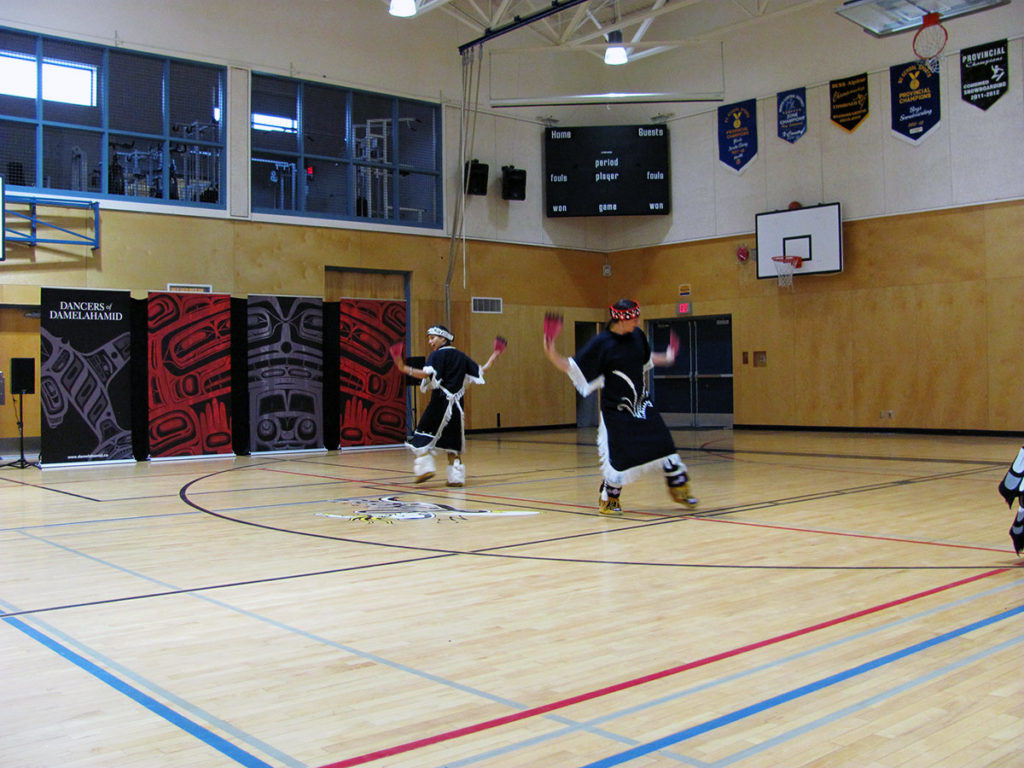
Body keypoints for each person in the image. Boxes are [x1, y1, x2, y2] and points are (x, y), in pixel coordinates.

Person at [542, 299, 697, 514]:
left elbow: (645, 359)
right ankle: (610, 498)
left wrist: (667, 357)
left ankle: (680, 489)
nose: (638, 322)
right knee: (620, 455)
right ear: (621, 319)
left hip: (641, 404)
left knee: (664, 443)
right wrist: (550, 349)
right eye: (634, 318)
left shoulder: (637, 336)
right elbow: (572, 366)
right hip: (617, 410)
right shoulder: (602, 343)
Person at [391, 325, 505, 487]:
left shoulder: (437, 355)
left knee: (423, 434)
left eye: (433, 338)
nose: (430, 342)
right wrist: (496, 354)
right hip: (457, 406)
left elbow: (426, 374)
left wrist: (403, 367)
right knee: (453, 442)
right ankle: (455, 478)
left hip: (440, 402)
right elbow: (483, 370)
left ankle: (425, 468)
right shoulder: (461, 356)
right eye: (429, 338)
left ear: (443, 338)